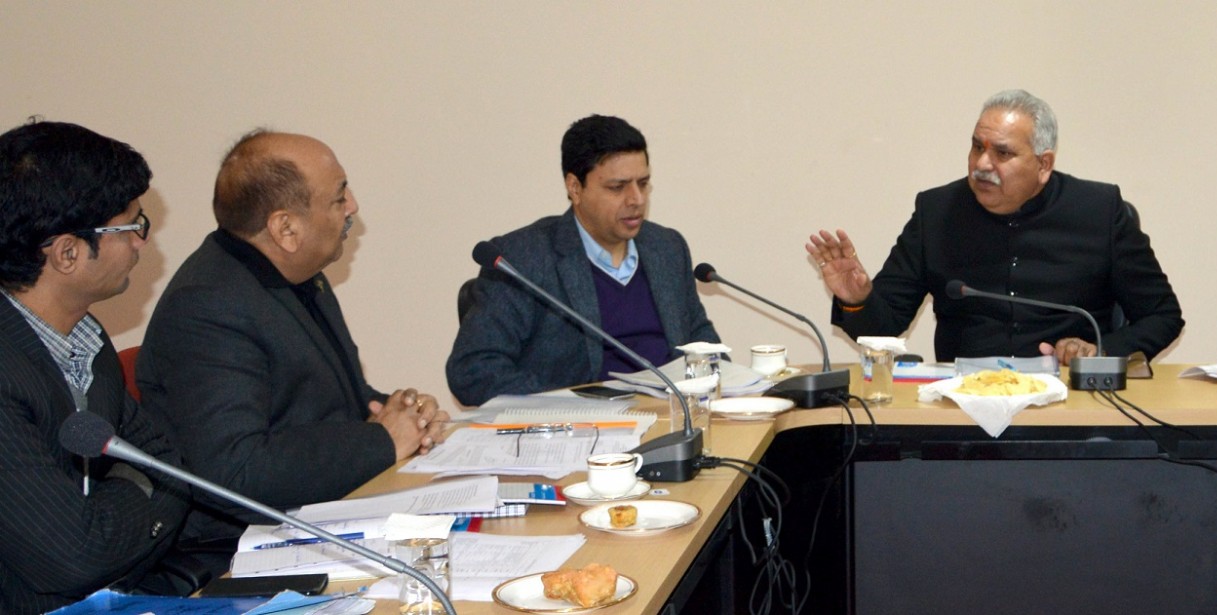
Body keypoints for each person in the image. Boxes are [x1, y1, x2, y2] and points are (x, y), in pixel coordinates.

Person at [136, 130, 446, 551]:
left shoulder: (299, 276)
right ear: (285, 228)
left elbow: (336, 403)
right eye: (338, 197)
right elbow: (235, 470)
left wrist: (405, 414)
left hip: (323, 514)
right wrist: (383, 441)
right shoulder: (207, 305)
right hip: (239, 548)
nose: (353, 206)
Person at [806, 89, 1183, 363]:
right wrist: (856, 300)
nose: (982, 164)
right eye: (977, 147)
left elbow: (1162, 316)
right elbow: (884, 327)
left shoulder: (1098, 211)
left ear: (1044, 164)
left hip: (1071, 404)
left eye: (1002, 153)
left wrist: (1099, 351)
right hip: (963, 408)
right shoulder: (936, 212)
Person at [0, 120, 191, 612]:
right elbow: (75, 556)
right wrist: (132, 491)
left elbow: (167, 466)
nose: (141, 242)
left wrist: (107, 512)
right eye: (131, 227)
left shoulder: (86, 338)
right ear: (67, 253)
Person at [447, 115, 719, 406]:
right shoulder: (523, 259)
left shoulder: (667, 248)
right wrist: (571, 404)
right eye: (618, 187)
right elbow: (472, 371)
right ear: (575, 188)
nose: (637, 199)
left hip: (673, 418)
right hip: (582, 425)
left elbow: (701, 340)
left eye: (643, 183)